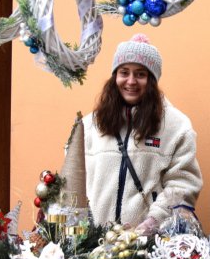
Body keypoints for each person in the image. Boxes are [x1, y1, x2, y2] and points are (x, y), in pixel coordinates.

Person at [83, 34, 203, 233]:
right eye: (124, 72)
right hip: (94, 244)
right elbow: (74, 182)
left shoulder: (176, 126)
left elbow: (183, 183)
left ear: (152, 79)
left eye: (140, 74)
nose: (131, 81)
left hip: (148, 244)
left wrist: (153, 222)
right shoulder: (89, 126)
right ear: (115, 76)